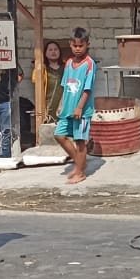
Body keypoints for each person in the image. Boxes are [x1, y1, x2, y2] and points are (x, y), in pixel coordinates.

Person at [56, 28, 96, 184]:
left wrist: (79, 107)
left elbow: (87, 89)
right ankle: (80, 162)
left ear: (87, 45)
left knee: (80, 141)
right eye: (75, 46)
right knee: (59, 135)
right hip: (67, 108)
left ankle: (80, 172)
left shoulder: (90, 64)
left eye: (81, 45)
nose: (78, 49)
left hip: (82, 110)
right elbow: (65, 85)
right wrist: (60, 104)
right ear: (70, 45)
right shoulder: (69, 63)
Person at [39, 40, 65, 122]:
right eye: (50, 50)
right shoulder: (43, 69)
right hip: (48, 106)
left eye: (55, 49)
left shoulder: (66, 68)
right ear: (45, 53)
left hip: (64, 105)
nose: (53, 52)